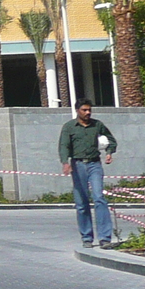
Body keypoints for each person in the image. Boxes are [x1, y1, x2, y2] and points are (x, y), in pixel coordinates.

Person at [59, 100, 117, 248]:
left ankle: (105, 238)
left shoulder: (97, 125)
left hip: (94, 164)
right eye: (84, 110)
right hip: (78, 165)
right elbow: (64, 146)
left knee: (99, 198)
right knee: (82, 202)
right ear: (77, 110)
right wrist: (65, 163)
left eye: (89, 110)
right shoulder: (69, 127)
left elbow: (111, 140)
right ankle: (87, 237)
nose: (88, 113)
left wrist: (109, 153)